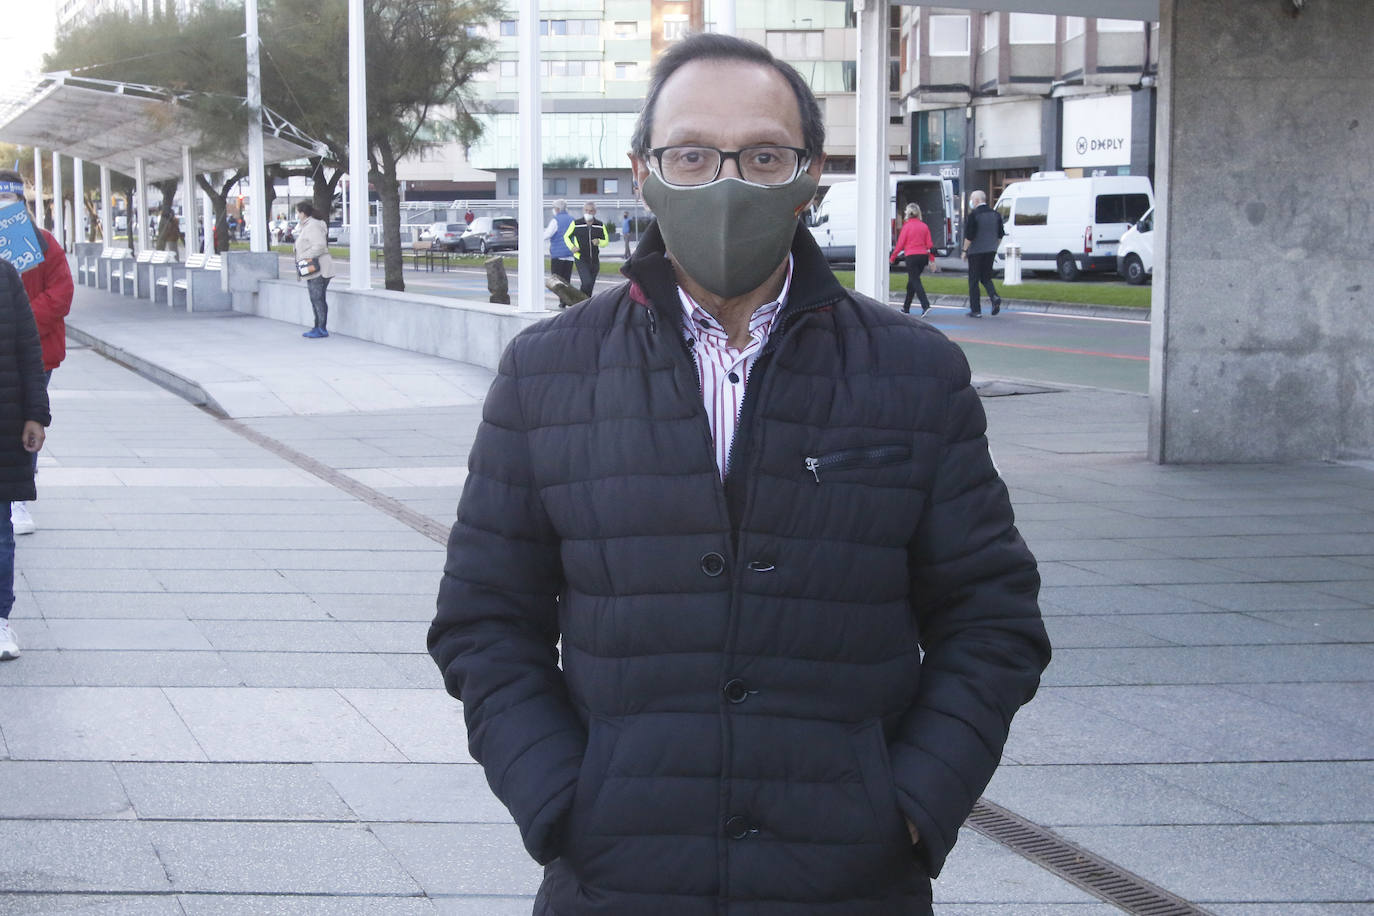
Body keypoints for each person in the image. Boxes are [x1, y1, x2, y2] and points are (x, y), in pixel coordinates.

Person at [429, 33, 1049, 916]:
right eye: (691, 155)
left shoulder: (915, 370)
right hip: (617, 882)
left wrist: (910, 806)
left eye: (763, 156)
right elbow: (485, 622)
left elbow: (992, 620)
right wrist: (562, 801)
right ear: (643, 171)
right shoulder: (545, 372)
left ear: (812, 175)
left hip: (849, 883)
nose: (726, 183)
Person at [0, 170, 71, 537]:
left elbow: (61, 294)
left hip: (36, 355)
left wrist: (20, 325)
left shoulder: (44, 244)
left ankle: (19, 499)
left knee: (27, 419)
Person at [0, 256, 52, 661]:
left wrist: (36, 413)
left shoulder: (4, 274)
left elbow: (27, 348)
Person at [292, 202, 334, 339]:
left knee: (318, 298)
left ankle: (321, 328)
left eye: (297, 212)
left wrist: (303, 257)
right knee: (316, 298)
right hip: (314, 268)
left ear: (303, 213)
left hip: (318, 268)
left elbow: (319, 246)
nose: (297, 215)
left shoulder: (312, 226)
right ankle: (318, 326)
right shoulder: (309, 226)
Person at [961, 189, 1005, 317]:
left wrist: (964, 250)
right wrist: (994, 246)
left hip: (976, 251)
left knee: (973, 280)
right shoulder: (995, 214)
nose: (971, 202)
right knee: (986, 277)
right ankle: (994, 296)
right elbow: (1000, 234)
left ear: (976, 200)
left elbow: (970, 235)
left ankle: (976, 310)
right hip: (990, 249)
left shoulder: (974, 215)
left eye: (972, 199)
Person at [890, 201, 938, 315]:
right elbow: (930, 245)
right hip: (922, 257)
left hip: (911, 256)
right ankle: (906, 307)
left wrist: (892, 257)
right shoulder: (924, 226)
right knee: (912, 282)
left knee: (915, 280)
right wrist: (932, 260)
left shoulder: (906, 227)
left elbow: (900, 245)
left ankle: (925, 305)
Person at [563, 201, 608, 296]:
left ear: (595, 212)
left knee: (590, 285)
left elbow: (606, 241)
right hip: (581, 258)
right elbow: (566, 236)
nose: (588, 212)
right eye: (586, 210)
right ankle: (580, 300)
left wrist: (599, 242)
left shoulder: (600, 225)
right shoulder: (576, 224)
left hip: (595, 260)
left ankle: (584, 303)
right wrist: (572, 247)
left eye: (591, 211)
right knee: (586, 282)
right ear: (583, 211)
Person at [543, 199, 576, 286]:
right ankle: (565, 299)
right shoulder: (572, 219)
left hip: (558, 255)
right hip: (570, 254)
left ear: (557, 209)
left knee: (556, 282)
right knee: (566, 281)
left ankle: (561, 299)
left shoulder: (556, 220)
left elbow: (547, 234)